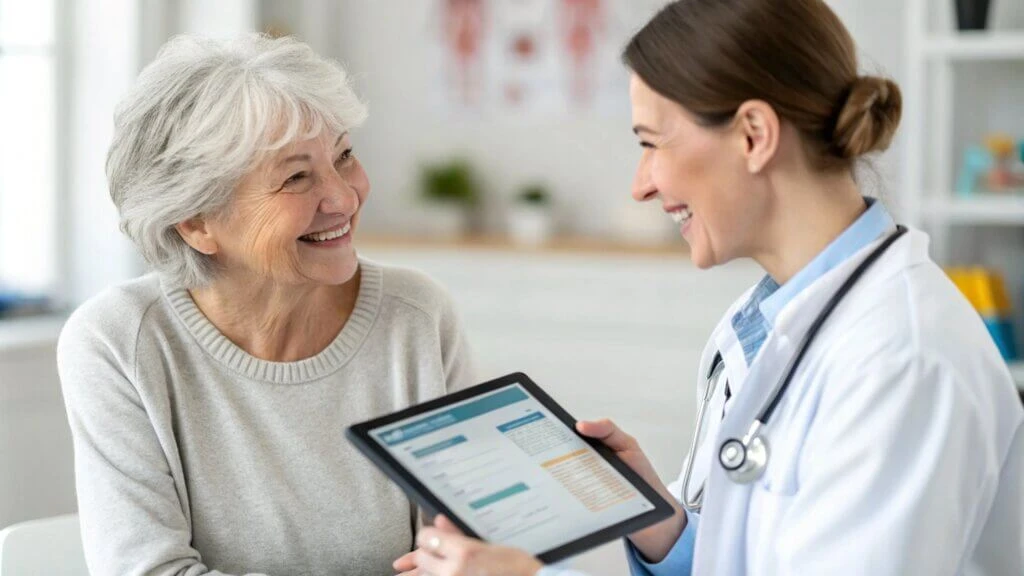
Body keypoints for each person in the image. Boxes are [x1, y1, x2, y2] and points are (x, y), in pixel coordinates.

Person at [394, 0, 1024, 574]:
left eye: (651, 143)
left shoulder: (901, 360)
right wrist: (664, 525)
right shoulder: (767, 320)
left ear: (754, 135)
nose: (641, 185)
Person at [57, 34, 476, 575]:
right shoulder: (119, 341)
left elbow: (467, 551)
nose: (344, 198)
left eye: (344, 156)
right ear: (196, 222)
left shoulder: (417, 315)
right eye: (296, 177)